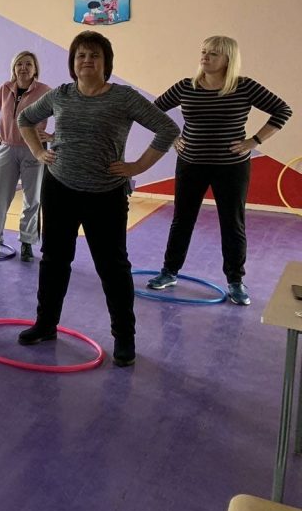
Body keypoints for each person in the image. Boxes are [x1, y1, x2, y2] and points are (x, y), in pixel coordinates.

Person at [16, 31, 179, 367]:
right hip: (59, 188)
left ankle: (124, 338)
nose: (86, 60)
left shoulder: (123, 98)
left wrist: (137, 166)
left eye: (94, 55)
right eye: (81, 55)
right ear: (72, 62)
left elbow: (167, 129)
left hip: (106, 195)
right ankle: (46, 324)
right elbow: (25, 119)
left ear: (106, 63)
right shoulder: (61, 94)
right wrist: (38, 151)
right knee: (54, 260)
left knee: (113, 267)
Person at [147, 36, 292, 305]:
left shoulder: (244, 86)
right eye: (204, 51)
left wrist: (254, 141)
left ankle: (235, 281)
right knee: (182, 220)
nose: (205, 57)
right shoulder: (186, 86)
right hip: (191, 164)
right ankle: (169, 272)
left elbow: (282, 110)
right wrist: (173, 137)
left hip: (231, 167)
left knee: (232, 222)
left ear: (228, 59)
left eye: (213, 53)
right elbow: (152, 111)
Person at [0, 51, 52, 262]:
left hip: (34, 150)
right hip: (7, 148)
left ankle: (27, 243)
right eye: (19, 64)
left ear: (35, 69)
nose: (23, 68)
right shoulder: (4, 89)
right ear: (14, 68)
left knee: (32, 199)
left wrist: (53, 136)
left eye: (28, 64)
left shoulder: (45, 91)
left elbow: (64, 114)